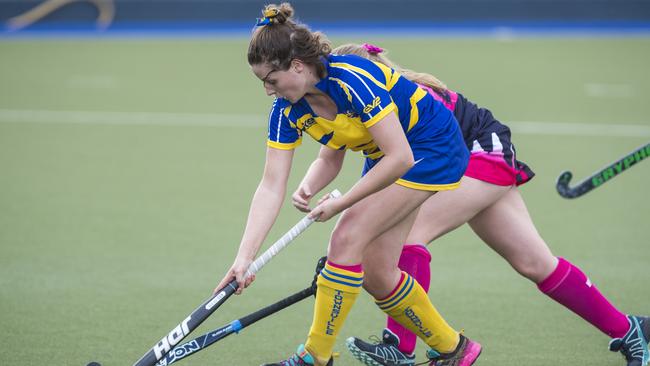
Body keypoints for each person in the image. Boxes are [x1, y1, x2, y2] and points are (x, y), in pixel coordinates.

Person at [313, 43, 650, 366]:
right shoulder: (367, 104)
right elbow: (383, 177)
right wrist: (347, 252)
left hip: (480, 155)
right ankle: (629, 330)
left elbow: (409, 173)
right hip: (472, 160)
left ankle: (400, 346)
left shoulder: (401, 97)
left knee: (411, 235)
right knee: (534, 262)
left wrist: (357, 237)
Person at [213, 3, 485, 366]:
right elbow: (271, 185)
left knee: (345, 237)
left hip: (430, 148)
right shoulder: (287, 109)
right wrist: (244, 258)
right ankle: (455, 349)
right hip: (389, 156)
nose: (267, 91)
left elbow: (400, 157)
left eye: (271, 81)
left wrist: (342, 204)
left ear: (296, 66)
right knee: (376, 272)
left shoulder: (351, 80)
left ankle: (314, 357)